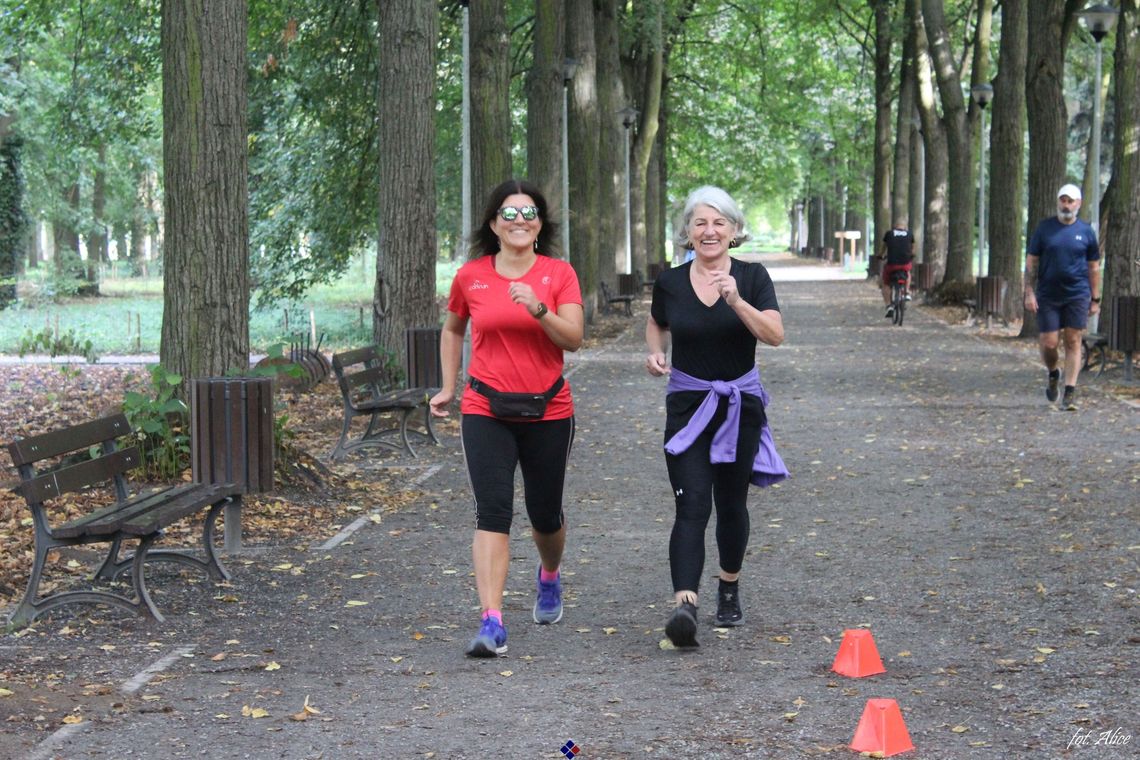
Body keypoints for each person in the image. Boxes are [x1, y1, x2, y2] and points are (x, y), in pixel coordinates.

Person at [429, 179, 584, 658]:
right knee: (492, 511)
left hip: (548, 409)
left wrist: (538, 308)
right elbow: (453, 329)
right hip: (485, 408)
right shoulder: (470, 276)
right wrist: (450, 386)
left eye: (529, 213)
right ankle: (492, 621)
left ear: (540, 224)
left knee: (544, 515)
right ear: (494, 224)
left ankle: (550, 576)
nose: (520, 221)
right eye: (509, 214)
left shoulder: (559, 274)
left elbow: (573, 338)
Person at [644, 186, 789, 648]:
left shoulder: (752, 276)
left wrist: (737, 302)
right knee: (691, 505)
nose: (709, 231)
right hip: (688, 408)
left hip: (738, 407)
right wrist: (654, 351)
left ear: (733, 230)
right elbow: (658, 321)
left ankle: (728, 585)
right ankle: (684, 605)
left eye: (719, 222)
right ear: (687, 232)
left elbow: (776, 335)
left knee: (730, 505)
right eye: (700, 223)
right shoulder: (670, 281)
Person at [1024, 183, 1100, 411]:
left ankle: (1070, 391)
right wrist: (1029, 292)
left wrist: (1095, 299)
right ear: (1058, 202)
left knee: (1073, 340)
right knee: (1049, 343)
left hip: (1077, 294)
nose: (1066, 205)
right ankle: (1053, 372)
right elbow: (1030, 262)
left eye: (1070, 201)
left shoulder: (1086, 232)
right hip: (1048, 294)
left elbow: (1093, 267)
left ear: (1079, 204)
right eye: (1063, 200)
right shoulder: (1045, 229)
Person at [879, 221, 915, 318]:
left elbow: (883, 247)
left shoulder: (889, 234)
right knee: (907, 272)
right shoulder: (910, 234)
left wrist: (881, 255)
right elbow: (912, 249)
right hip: (904, 264)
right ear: (905, 227)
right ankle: (907, 291)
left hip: (892, 265)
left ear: (894, 227)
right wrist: (911, 256)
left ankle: (889, 306)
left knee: (886, 283)